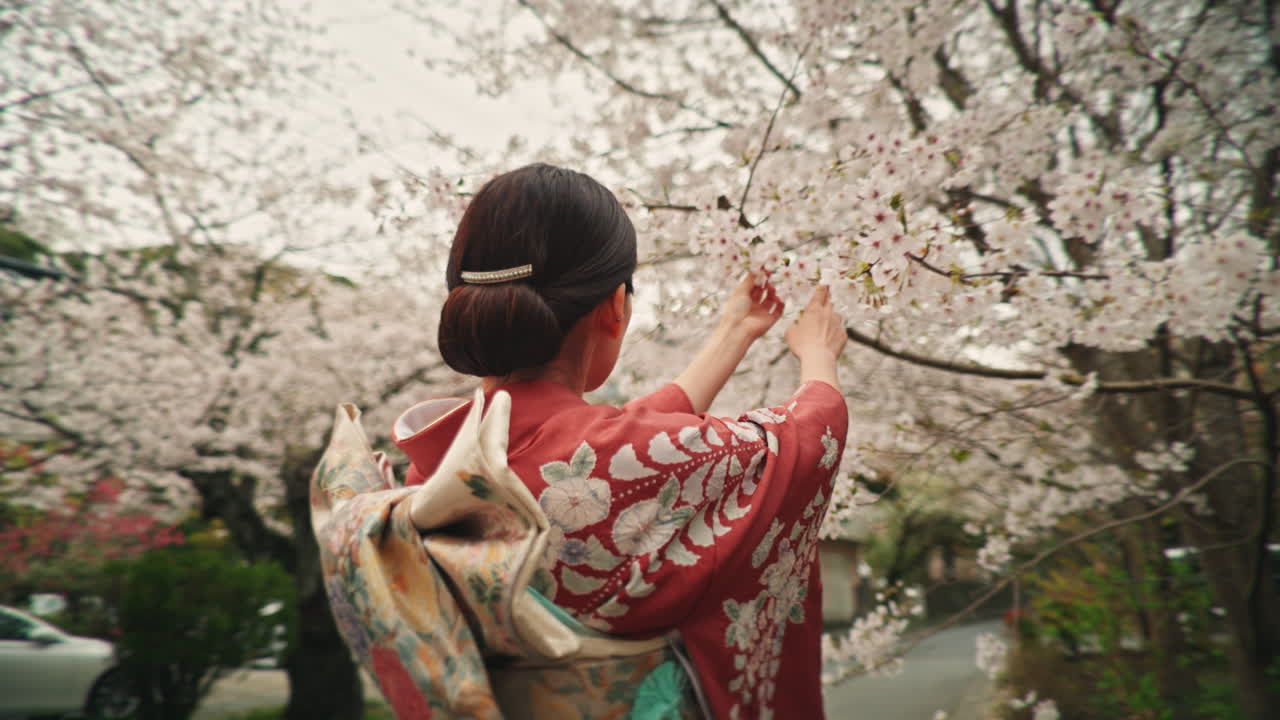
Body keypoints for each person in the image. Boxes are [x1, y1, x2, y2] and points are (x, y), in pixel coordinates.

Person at [389, 163, 849, 718]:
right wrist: (819, 356)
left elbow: (614, 446)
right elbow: (802, 443)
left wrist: (734, 333)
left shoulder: (436, 465)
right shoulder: (609, 463)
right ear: (615, 305)